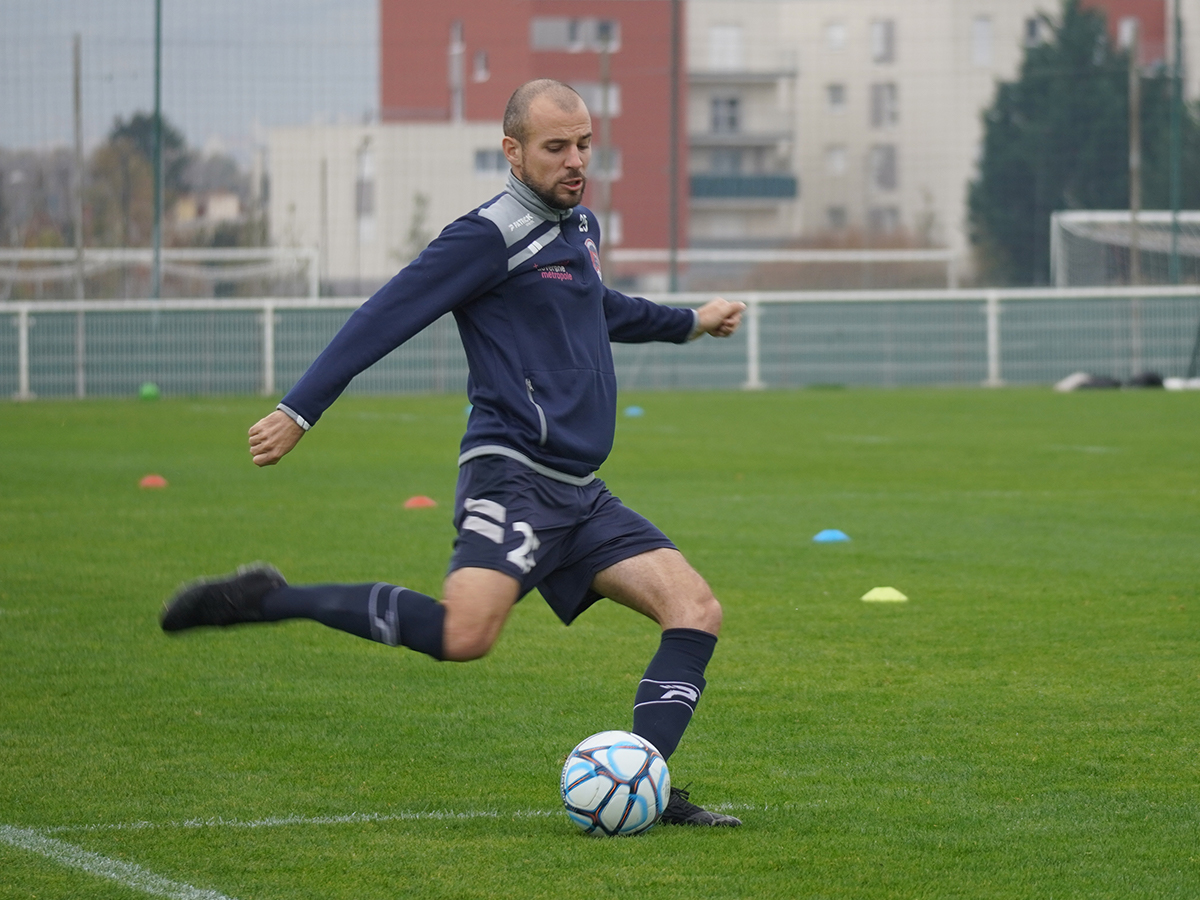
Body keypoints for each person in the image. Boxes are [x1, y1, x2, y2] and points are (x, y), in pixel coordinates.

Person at [161, 79, 746, 827]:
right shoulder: (487, 235)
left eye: (584, 144)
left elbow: (600, 309)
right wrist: (298, 409)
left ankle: (644, 783)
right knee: (464, 636)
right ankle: (270, 597)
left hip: (579, 489)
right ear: (513, 151)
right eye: (556, 147)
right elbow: (386, 314)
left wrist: (691, 321)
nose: (576, 161)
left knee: (695, 609)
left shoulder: (580, 226)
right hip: (512, 477)